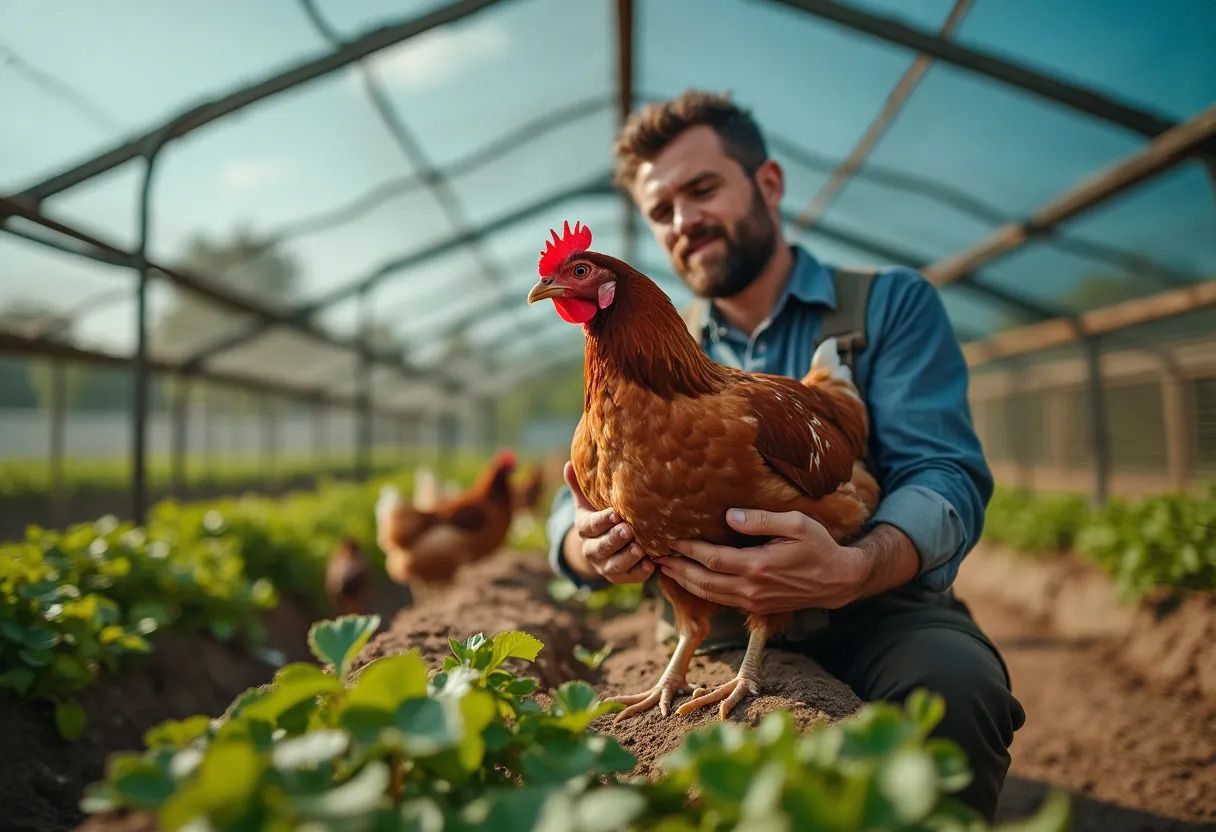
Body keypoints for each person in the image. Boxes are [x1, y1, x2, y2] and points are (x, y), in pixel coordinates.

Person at [544, 90, 1025, 821]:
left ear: (767, 183)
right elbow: (575, 487)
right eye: (662, 210)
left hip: (880, 605)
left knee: (957, 691)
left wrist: (854, 568)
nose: (684, 220)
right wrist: (585, 543)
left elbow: (944, 474)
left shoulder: (889, 305)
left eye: (702, 189)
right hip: (713, 618)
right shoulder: (657, 349)